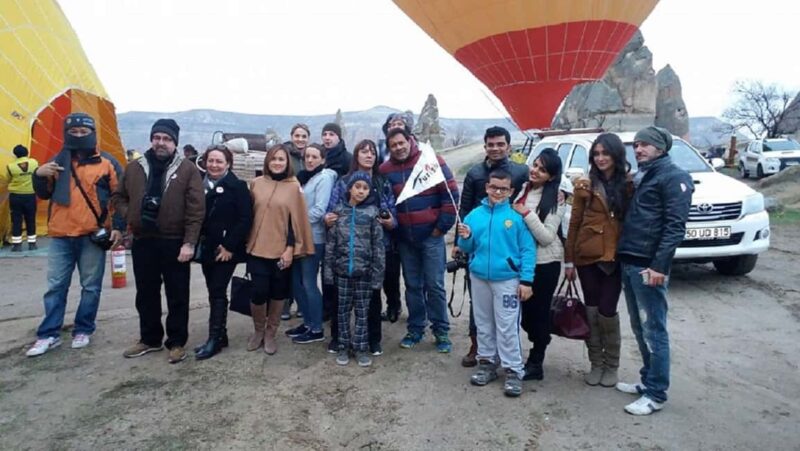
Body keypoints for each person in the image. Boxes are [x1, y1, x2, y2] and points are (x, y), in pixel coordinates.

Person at [25, 113, 123, 357]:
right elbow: (45, 194)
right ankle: (49, 334)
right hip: (61, 235)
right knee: (55, 286)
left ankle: (84, 328)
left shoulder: (107, 163)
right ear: (66, 133)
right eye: (74, 131)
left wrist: (118, 226)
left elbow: (120, 197)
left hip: (92, 235)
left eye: (83, 131)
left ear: (92, 133)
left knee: (90, 286)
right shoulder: (57, 161)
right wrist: (38, 176)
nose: (79, 135)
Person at [615, 126, 693, 415]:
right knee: (639, 326)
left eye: (645, 144)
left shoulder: (673, 177)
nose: (638, 149)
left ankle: (656, 393)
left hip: (648, 264)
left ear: (661, 147)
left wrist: (659, 265)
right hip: (631, 259)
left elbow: (675, 227)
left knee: (654, 329)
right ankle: (647, 380)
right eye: (636, 145)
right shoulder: (644, 175)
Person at [114, 118, 205, 364]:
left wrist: (189, 242)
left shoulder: (187, 169)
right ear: (151, 139)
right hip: (143, 240)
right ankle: (150, 338)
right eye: (157, 138)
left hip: (174, 241)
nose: (161, 143)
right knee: (146, 293)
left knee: (177, 294)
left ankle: (176, 342)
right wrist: (131, 213)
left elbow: (196, 210)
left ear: (175, 142)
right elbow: (118, 196)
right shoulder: (134, 168)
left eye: (166, 139)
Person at [457, 169, 536, 397]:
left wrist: (526, 280)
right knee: (483, 323)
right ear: (486, 188)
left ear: (511, 191)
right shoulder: (474, 216)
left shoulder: (516, 218)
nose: (498, 192)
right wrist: (466, 237)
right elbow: (467, 247)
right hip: (479, 277)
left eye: (503, 189)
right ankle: (487, 362)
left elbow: (527, 250)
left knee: (507, 325)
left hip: (507, 279)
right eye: (494, 187)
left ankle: (513, 370)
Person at [379, 128, 459, 352]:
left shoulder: (431, 161)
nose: (398, 148)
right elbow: (384, 200)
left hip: (432, 236)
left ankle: (441, 330)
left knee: (435, 285)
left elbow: (451, 196)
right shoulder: (385, 170)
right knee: (413, 286)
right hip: (406, 239)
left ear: (410, 140)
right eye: (393, 145)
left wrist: (441, 228)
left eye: (401, 143)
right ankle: (416, 328)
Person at [455, 126, 528, 367]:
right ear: (485, 146)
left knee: (508, 315)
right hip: (480, 247)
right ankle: (478, 347)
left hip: (509, 248)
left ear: (508, 146)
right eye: (491, 144)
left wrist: (559, 193)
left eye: (500, 144)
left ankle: (511, 361)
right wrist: (460, 241)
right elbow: (465, 208)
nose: (495, 148)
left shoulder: (521, 171)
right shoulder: (475, 173)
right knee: (479, 307)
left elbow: (537, 191)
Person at [564, 133, 633, 387]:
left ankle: (611, 365)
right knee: (591, 309)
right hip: (587, 256)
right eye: (596, 154)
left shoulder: (629, 184)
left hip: (614, 256)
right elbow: (574, 224)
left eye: (605, 153)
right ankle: (596, 363)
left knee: (607, 310)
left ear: (616, 155)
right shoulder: (584, 185)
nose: (601, 158)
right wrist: (568, 261)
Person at [324, 139, 397, 355]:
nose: (369, 155)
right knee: (341, 300)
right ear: (356, 155)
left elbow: (392, 211)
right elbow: (333, 209)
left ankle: (372, 340)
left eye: (372, 152)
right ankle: (338, 339)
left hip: (374, 246)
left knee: (372, 297)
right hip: (346, 248)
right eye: (364, 151)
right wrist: (328, 218)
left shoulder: (382, 182)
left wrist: (390, 221)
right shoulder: (343, 181)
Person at [245, 144, 315, 355]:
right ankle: (258, 330)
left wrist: (290, 248)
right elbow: (248, 215)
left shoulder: (294, 187)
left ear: (287, 162)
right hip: (257, 248)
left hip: (281, 250)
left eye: (281, 159)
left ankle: (270, 333)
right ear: (268, 161)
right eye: (273, 158)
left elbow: (297, 221)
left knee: (278, 293)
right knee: (258, 292)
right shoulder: (257, 183)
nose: (277, 162)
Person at [193, 144, 253, 360]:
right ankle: (221, 334)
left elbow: (245, 219)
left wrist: (229, 246)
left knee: (218, 290)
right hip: (206, 248)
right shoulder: (199, 184)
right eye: (211, 160)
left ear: (228, 164)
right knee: (212, 289)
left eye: (219, 161)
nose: (214, 165)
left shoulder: (237, 186)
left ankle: (214, 339)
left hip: (226, 249)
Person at [512, 148, 566, 380]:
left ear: (551, 176)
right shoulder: (523, 187)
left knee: (538, 314)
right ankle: (539, 341)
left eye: (542, 170)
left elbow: (546, 237)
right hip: (521, 261)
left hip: (545, 264)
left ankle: (536, 361)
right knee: (525, 316)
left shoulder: (557, 198)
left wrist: (525, 213)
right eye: (534, 165)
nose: (535, 171)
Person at [324, 172, 385, 367]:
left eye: (365, 188)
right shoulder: (338, 212)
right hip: (341, 272)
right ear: (349, 188)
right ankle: (343, 345)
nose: (361, 191)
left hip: (364, 273)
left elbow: (378, 247)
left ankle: (360, 347)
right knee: (342, 311)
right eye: (357, 186)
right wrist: (328, 273)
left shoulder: (372, 214)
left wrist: (377, 275)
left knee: (362, 312)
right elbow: (330, 245)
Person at [285, 143, 336, 344]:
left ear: (323, 159)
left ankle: (316, 328)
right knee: (296, 283)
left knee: (308, 283)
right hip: (299, 237)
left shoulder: (323, 178)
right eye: (307, 156)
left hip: (314, 238)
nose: (310, 160)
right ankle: (307, 322)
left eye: (315, 157)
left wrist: (294, 221)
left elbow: (319, 210)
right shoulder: (306, 178)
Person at [376, 115, 410, 323]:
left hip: (409, 219)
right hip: (388, 215)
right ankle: (391, 305)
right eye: (391, 125)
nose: (394, 127)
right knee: (388, 269)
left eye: (399, 124)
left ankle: (405, 308)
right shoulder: (380, 152)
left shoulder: (420, 153)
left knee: (405, 272)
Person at [281, 123, 312, 320]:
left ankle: (302, 303)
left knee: (301, 263)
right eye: (297, 136)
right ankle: (285, 303)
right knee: (285, 261)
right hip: (286, 209)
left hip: (305, 210)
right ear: (292, 136)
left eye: (303, 136)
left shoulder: (310, 155)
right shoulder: (285, 155)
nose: (300, 139)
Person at [6, 144, 39, 251]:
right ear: (27, 153)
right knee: (31, 219)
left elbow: (7, 179)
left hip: (16, 196)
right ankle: (32, 244)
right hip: (30, 195)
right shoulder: (34, 162)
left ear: (15, 154)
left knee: (16, 220)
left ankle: (17, 245)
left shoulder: (10, 166)